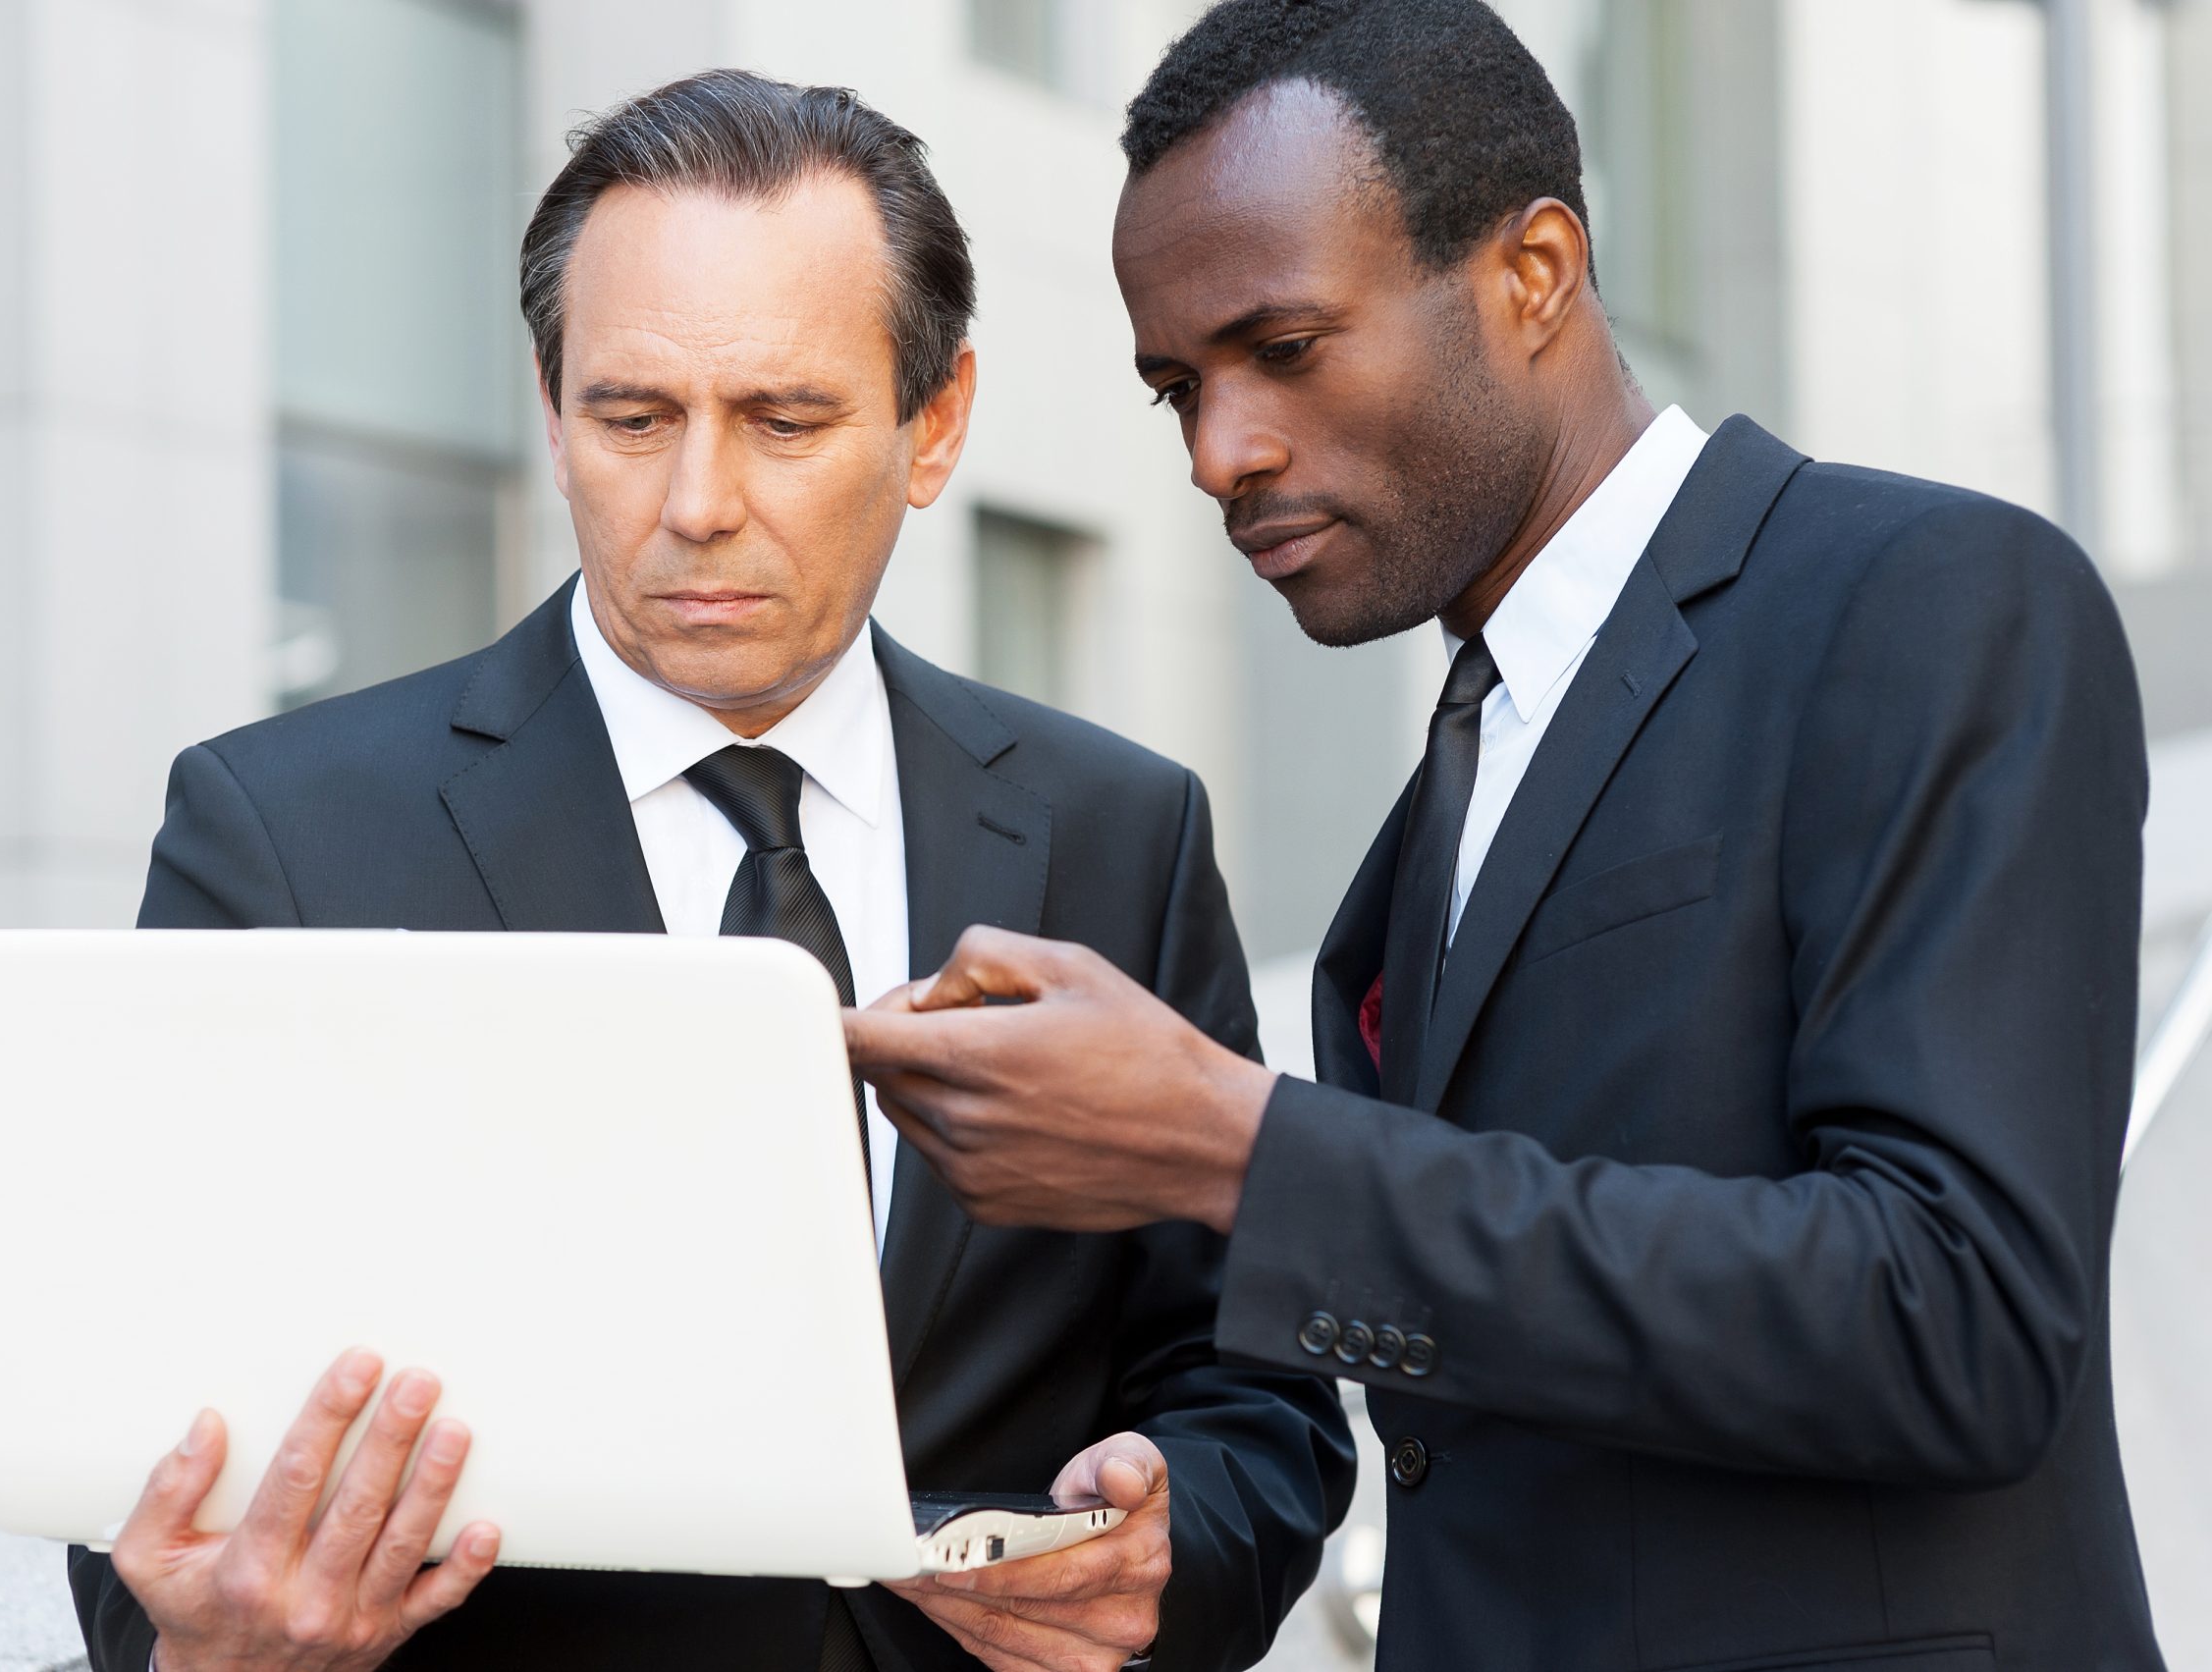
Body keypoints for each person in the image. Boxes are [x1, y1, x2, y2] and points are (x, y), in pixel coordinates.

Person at [842, 5, 2167, 1670]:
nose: (1218, 451)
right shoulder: (1446, 806)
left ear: (1534, 272)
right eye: (1180, 384)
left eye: (1287, 347)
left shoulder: (1930, 604)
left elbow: (1954, 1319)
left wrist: (1240, 1149)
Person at [66, 70, 1351, 1672]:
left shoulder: (1117, 832)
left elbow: (1252, 1393)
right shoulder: (283, 832)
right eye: (631, 418)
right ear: (551, 412)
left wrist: (1163, 1549)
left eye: (785, 421)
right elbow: (142, 1459)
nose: (695, 506)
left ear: (933, 423)